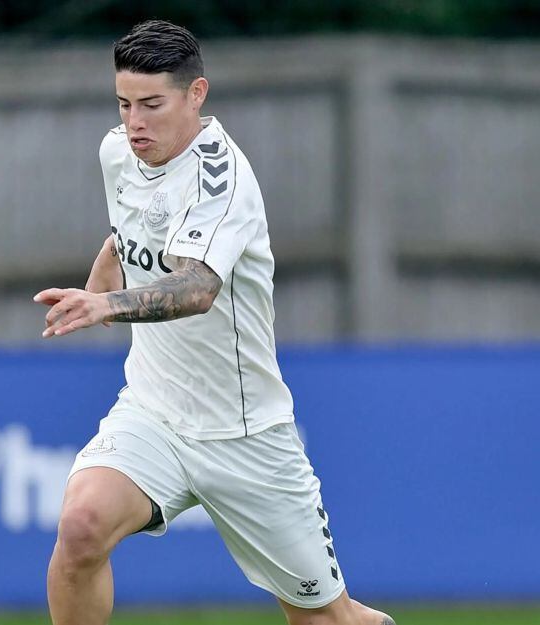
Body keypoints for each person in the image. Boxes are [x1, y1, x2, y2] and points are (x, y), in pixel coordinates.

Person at [34, 21, 394, 625]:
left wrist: (109, 306)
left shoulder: (221, 179)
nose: (134, 122)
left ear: (196, 94)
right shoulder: (118, 153)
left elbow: (198, 287)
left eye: (152, 104)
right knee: (80, 526)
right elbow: (134, 229)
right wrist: (101, 276)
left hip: (245, 432)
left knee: (327, 621)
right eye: (124, 104)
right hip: (153, 413)